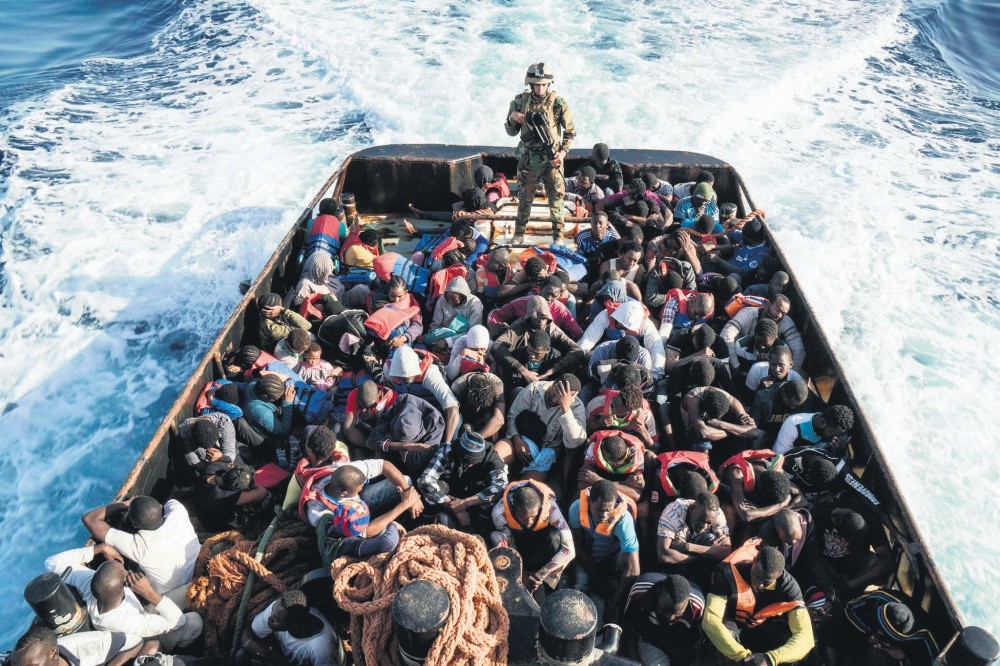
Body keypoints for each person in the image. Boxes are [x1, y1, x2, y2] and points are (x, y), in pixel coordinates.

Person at [43, 545, 203, 651]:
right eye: (126, 574)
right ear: (123, 588)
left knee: (192, 587)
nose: (128, 572)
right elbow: (178, 622)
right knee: (194, 621)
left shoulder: (86, 580)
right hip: (146, 637)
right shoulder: (130, 623)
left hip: (142, 614)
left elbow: (51, 562)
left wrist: (100, 548)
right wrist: (148, 593)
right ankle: (182, 647)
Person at [701, 541, 814, 665]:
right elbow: (710, 620)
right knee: (724, 646)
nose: (759, 584)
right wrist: (742, 656)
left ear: (779, 574)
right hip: (732, 624)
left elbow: (806, 637)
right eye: (756, 575)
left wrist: (771, 658)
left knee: (786, 640)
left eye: (766, 581)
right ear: (754, 560)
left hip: (761, 629)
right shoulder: (728, 574)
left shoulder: (789, 587)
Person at [81, 496, 200, 607]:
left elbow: (89, 519)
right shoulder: (178, 510)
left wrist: (124, 504)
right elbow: (164, 504)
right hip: (197, 571)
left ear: (135, 524)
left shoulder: (139, 546)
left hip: (170, 594)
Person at [504, 62, 576, 243]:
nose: (540, 88)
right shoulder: (520, 102)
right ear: (530, 84)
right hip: (529, 160)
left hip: (552, 160)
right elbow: (511, 132)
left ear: (549, 84)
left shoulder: (559, 104)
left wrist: (562, 153)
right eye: (537, 84)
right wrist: (513, 118)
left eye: (544, 84)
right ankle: (519, 233)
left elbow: (570, 133)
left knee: (556, 200)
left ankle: (558, 236)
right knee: (524, 198)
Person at [311, 464, 422, 560]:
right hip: (344, 554)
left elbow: (367, 531)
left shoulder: (326, 519)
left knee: (405, 480)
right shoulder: (348, 545)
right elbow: (387, 542)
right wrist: (391, 524)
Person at [568, 480, 641, 620]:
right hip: (588, 557)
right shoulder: (576, 509)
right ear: (589, 501)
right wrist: (596, 578)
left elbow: (634, 569)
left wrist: (613, 604)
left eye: (609, 510)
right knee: (580, 585)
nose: (604, 515)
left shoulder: (623, 520)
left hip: (612, 558)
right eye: (600, 509)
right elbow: (578, 546)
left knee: (626, 570)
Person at [491, 479, 575, 593]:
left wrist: (539, 576)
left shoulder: (551, 507)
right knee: (496, 537)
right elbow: (510, 545)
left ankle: (547, 586)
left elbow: (569, 551)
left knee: (555, 537)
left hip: (541, 548)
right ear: (514, 511)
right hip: (518, 544)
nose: (529, 521)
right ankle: (513, 579)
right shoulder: (499, 512)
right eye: (523, 517)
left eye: (533, 516)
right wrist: (520, 573)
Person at [417, 430, 508, 535]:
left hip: (475, 495)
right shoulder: (447, 449)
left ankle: (481, 533)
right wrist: (452, 505)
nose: (469, 465)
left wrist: (466, 503)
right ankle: (425, 527)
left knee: (492, 498)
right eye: (465, 461)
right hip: (449, 492)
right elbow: (425, 480)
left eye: (473, 462)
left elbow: (501, 485)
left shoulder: (492, 457)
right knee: (430, 492)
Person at [491, 296, 587, 388]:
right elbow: (496, 346)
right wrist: (522, 370)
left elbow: (577, 351)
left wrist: (551, 371)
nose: (541, 321)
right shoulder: (519, 327)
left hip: (545, 372)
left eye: (544, 317)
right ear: (528, 316)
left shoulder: (553, 331)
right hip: (518, 371)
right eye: (536, 317)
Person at [506, 375, 587, 482]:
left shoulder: (576, 406)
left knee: (526, 489)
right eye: (556, 391)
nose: (556, 398)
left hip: (546, 455)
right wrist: (516, 440)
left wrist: (566, 408)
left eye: (563, 396)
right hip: (518, 440)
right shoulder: (534, 389)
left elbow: (575, 443)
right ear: (554, 383)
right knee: (498, 456)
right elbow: (512, 417)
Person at [244, 590, 345, 666]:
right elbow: (247, 633)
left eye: (276, 620)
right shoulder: (278, 610)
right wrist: (257, 649)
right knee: (242, 656)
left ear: (294, 625)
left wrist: (280, 663)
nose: (270, 619)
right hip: (282, 659)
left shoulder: (322, 648)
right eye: (272, 612)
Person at [623, 573, 705, 666]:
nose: (670, 618)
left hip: (679, 640)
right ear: (659, 593)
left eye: (677, 614)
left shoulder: (697, 607)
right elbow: (632, 621)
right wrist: (664, 643)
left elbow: (696, 640)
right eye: (666, 610)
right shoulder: (640, 592)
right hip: (651, 635)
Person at [383, 345, 460, 444]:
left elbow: (452, 406)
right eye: (400, 377)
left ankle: (451, 448)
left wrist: (446, 444)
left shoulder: (430, 373)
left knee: (456, 422)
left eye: (407, 378)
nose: (403, 381)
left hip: (434, 407)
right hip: (410, 408)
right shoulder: (388, 370)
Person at [840, 589, 940, 665]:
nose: (877, 632)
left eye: (883, 635)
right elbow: (849, 607)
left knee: (876, 657)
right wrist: (868, 633)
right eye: (877, 624)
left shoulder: (926, 640)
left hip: (897, 655)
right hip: (864, 633)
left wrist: (899, 656)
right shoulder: (880, 597)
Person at [655, 492, 732, 584]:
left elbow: (726, 550)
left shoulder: (717, 514)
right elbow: (663, 555)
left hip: (689, 555)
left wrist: (688, 547)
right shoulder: (673, 512)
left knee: (710, 538)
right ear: (692, 508)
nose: (704, 526)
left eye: (709, 523)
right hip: (677, 566)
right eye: (701, 520)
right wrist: (702, 555)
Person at [578, 300, 666, 379]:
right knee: (587, 358)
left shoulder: (645, 324)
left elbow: (656, 347)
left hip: (631, 359)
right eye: (619, 326)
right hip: (607, 353)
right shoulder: (605, 315)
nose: (623, 332)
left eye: (627, 329)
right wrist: (576, 356)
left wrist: (655, 375)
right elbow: (587, 340)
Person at [365, 392, 445, 478]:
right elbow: (371, 441)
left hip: (411, 454)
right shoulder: (398, 405)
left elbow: (422, 460)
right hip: (397, 446)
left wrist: (406, 451)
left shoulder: (436, 422)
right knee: (380, 452)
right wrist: (404, 446)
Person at [721, 295, 805, 371]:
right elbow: (726, 335)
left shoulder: (786, 321)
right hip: (742, 358)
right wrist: (735, 365)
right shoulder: (748, 313)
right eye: (777, 310)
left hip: (772, 366)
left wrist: (788, 374)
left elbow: (799, 350)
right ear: (768, 304)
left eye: (783, 313)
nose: (779, 315)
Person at [11, 625, 151, 666]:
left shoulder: (86, 645)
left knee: (153, 646)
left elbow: (134, 642)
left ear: (54, 654)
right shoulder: (19, 660)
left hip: (118, 656)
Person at [772, 404, 855, 455]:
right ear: (822, 422)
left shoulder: (838, 433)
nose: (834, 438)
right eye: (831, 433)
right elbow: (777, 458)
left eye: (837, 435)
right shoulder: (794, 425)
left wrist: (840, 452)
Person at [426, 276, 483, 350]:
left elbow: (472, 332)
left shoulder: (475, 305)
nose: (449, 302)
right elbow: (436, 324)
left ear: (463, 297)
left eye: (454, 300)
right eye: (447, 298)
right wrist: (435, 338)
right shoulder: (442, 300)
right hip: (440, 337)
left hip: (463, 341)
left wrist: (447, 341)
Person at [339, 380, 397, 451]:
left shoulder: (392, 398)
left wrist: (374, 420)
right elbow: (348, 428)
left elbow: (390, 430)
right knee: (337, 429)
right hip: (365, 435)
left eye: (371, 406)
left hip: (383, 433)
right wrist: (368, 445)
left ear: (380, 393)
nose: (365, 410)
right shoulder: (355, 394)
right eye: (362, 406)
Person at [450, 371, 507, 440]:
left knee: (493, 430)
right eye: (475, 404)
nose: (477, 408)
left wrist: (476, 438)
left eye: (480, 405)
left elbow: (499, 419)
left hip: (487, 412)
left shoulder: (496, 383)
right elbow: (455, 415)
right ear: (468, 392)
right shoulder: (457, 387)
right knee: (463, 427)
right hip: (466, 413)